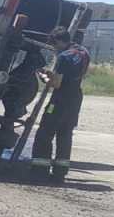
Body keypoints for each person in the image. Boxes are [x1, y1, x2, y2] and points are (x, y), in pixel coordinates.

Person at [30, 26, 90, 183]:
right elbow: (72, 75)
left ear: (58, 41)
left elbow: (56, 84)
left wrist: (43, 77)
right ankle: (60, 172)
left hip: (59, 100)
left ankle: (40, 170)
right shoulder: (83, 52)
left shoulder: (64, 56)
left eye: (54, 45)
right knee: (65, 134)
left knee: (45, 133)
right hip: (75, 98)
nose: (54, 49)